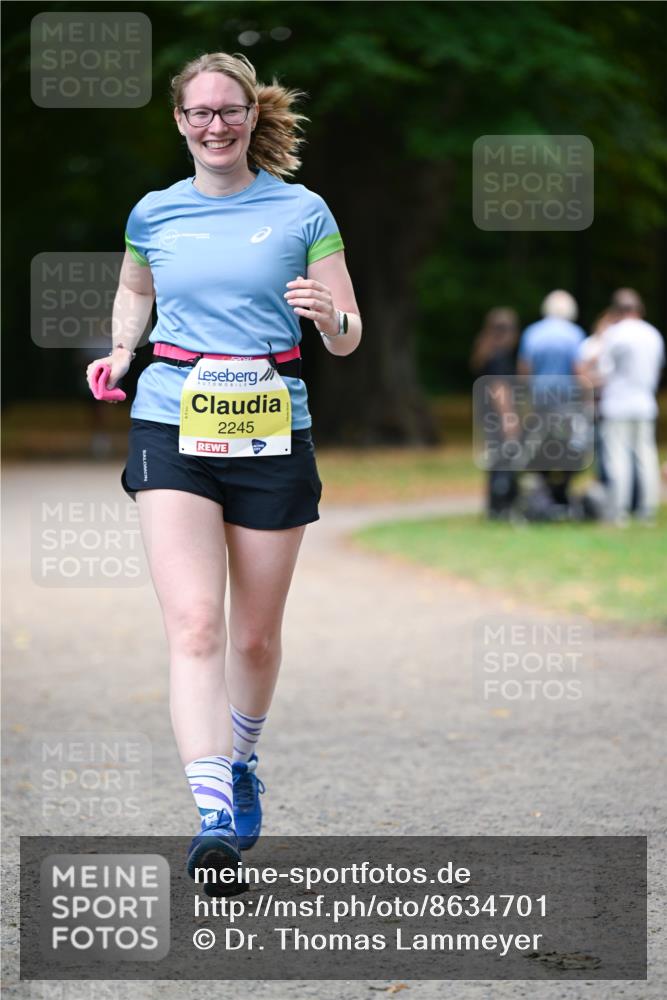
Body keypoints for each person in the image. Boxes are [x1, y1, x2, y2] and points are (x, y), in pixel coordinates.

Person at [85, 52, 362, 882]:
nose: (214, 125)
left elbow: (348, 333)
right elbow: (136, 288)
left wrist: (328, 316)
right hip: (171, 418)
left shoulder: (302, 210)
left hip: (272, 424)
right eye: (199, 112)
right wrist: (123, 349)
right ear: (179, 121)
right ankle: (210, 816)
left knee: (254, 635)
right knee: (196, 625)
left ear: (251, 115)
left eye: (228, 111)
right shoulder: (154, 213)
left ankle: (240, 759)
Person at [598, 288, 664, 525]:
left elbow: (603, 371)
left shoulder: (614, 334)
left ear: (616, 310)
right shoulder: (653, 334)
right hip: (645, 403)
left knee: (617, 459)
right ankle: (647, 510)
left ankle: (619, 511)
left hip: (617, 404)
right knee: (646, 457)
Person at [517, 290, 587, 512]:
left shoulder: (532, 333)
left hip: (540, 403)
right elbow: (580, 371)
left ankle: (545, 492)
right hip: (567, 403)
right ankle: (561, 492)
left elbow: (524, 371)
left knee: (541, 450)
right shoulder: (575, 334)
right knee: (571, 449)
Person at [470, 307, 520, 519]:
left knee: (495, 460)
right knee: (504, 461)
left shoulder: (486, 351)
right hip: (498, 417)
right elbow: (500, 390)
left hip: (487, 416)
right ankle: (501, 508)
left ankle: (493, 506)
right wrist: (509, 417)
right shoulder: (500, 356)